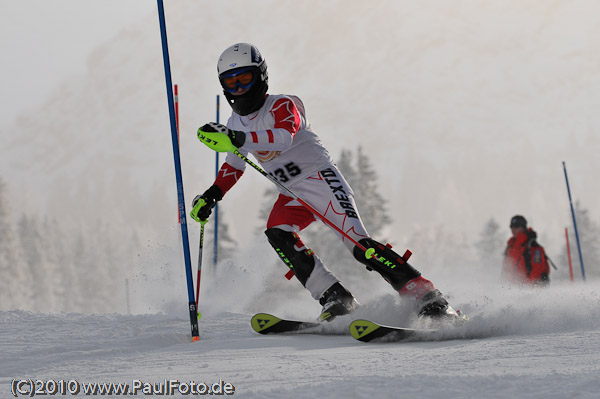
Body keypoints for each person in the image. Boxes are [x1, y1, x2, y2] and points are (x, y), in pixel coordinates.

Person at [190, 43, 460, 322]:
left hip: (321, 180)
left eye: (245, 79)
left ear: (260, 76)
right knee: (278, 233)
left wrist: (236, 139)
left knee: (360, 247)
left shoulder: (283, 104)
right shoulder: (236, 122)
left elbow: (283, 137)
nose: (239, 89)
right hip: (292, 192)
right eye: (231, 83)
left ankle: (429, 298)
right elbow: (234, 164)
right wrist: (211, 195)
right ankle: (335, 297)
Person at [502, 215, 550, 285]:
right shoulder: (510, 246)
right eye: (511, 227)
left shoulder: (534, 247)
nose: (513, 229)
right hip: (511, 291)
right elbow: (505, 271)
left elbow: (537, 272)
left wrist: (524, 290)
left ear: (523, 228)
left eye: (516, 226)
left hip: (530, 292)